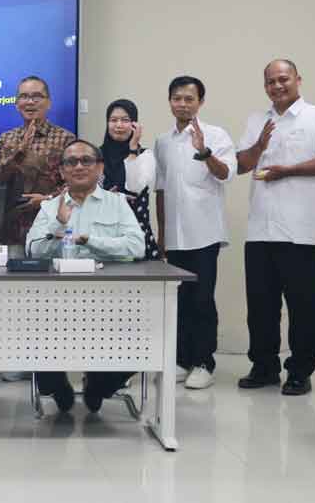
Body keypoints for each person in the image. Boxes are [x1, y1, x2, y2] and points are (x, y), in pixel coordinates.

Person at [236, 59, 315, 396]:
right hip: (260, 229)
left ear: (298, 79)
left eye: (283, 79)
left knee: (304, 306)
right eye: (270, 82)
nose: (277, 86)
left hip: (302, 231)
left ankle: (300, 371)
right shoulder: (257, 120)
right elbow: (241, 165)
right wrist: (259, 146)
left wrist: (287, 170)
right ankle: (264, 367)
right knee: (261, 306)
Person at [27, 140, 146, 412]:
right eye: (71, 162)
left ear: (100, 167)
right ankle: (57, 387)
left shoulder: (117, 203)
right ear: (62, 171)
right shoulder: (50, 207)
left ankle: (98, 386)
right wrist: (59, 224)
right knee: (32, 338)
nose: (78, 167)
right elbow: (33, 250)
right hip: (56, 302)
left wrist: (89, 240)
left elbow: (136, 246)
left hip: (110, 301)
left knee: (139, 342)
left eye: (86, 161)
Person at [154, 75, 236, 390]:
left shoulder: (216, 135)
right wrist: (162, 234)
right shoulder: (163, 142)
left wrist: (205, 153)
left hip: (204, 234)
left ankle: (204, 363)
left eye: (189, 99)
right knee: (179, 300)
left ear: (200, 102)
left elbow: (226, 173)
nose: (183, 104)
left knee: (202, 299)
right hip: (175, 235)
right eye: (177, 98)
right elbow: (161, 190)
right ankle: (182, 359)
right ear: (170, 101)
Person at [0, 75, 74, 381]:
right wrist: (18, 154)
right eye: (24, 97)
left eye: (36, 96)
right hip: (15, 225)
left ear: (48, 102)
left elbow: (73, 182)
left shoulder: (64, 138)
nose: (30, 102)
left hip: (51, 227)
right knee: (16, 296)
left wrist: (48, 200)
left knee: (50, 296)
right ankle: (19, 358)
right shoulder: (7, 138)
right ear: (16, 103)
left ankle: (50, 363)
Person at [100, 99, 160, 259]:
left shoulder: (145, 155)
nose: (118, 125)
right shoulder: (96, 156)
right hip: (102, 234)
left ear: (134, 124)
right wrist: (106, 196)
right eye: (113, 120)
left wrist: (133, 149)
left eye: (125, 120)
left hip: (135, 234)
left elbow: (135, 187)